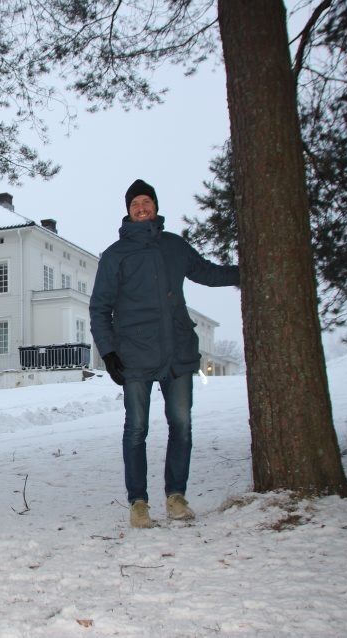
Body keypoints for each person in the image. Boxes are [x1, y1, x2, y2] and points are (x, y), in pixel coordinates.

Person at [89, 179, 239, 529]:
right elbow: (100, 308)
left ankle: (176, 497)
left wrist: (245, 271)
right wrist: (109, 353)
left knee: (181, 425)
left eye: (146, 202)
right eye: (135, 204)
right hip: (135, 355)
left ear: (155, 206)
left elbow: (207, 272)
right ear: (128, 211)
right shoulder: (115, 255)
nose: (141, 208)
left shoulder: (174, 246)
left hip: (177, 353)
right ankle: (138, 503)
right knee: (136, 429)